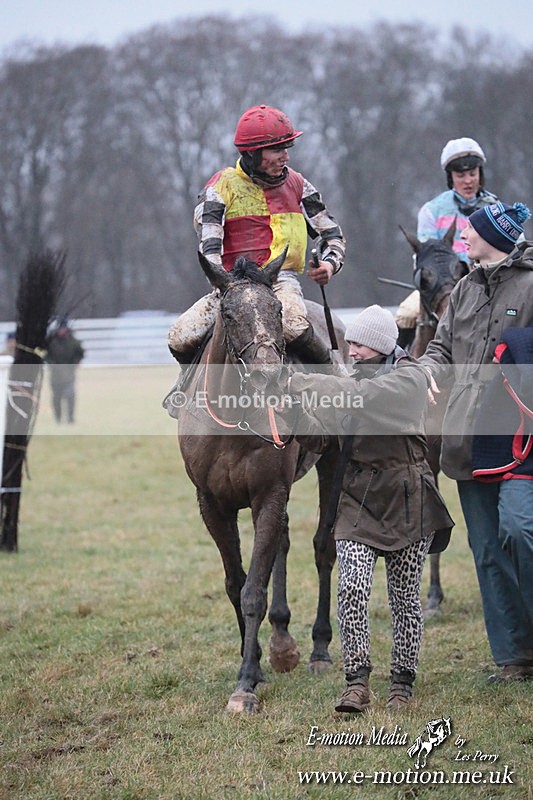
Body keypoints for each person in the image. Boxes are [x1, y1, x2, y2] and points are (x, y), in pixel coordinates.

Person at [288, 305, 453, 712]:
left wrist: (297, 382)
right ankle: (356, 682)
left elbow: (362, 399)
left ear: (380, 345)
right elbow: (322, 440)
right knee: (351, 588)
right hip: (357, 501)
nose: (351, 350)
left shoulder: (411, 377)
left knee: (404, 599)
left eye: (358, 344)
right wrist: (287, 412)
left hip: (408, 499)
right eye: (349, 343)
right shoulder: (349, 380)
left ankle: (402, 684)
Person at [418, 199, 533, 682]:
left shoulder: (530, 286)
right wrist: (423, 369)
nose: (463, 235)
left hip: (517, 438)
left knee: (519, 529)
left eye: (472, 231)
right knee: (486, 550)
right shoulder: (463, 288)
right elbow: (442, 346)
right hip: (465, 438)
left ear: (497, 239)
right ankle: (513, 658)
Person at [168, 104, 346, 370]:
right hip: (231, 286)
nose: (285, 156)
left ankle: (337, 378)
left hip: (280, 283)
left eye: (287, 149)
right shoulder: (221, 187)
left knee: (294, 326)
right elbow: (210, 249)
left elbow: (332, 235)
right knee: (180, 336)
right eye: (277, 149)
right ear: (252, 154)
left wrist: (328, 266)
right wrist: (227, 285)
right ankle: (185, 392)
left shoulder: (299, 185)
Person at [396, 137, 498, 341]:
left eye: (472, 173)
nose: (468, 181)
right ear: (450, 177)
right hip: (443, 288)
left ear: (480, 174)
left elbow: (517, 251)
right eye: (461, 175)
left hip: (490, 285)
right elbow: (425, 258)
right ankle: (400, 364)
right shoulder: (431, 211)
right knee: (405, 314)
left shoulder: (497, 210)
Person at [45, 318, 85, 424]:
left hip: (69, 375)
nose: (61, 331)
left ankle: (70, 418)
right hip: (55, 375)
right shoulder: (51, 342)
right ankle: (58, 418)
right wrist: (52, 364)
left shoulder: (74, 342)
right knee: (57, 398)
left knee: (70, 396)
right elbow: (46, 355)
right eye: (60, 329)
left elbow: (80, 354)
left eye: (63, 328)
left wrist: (74, 364)